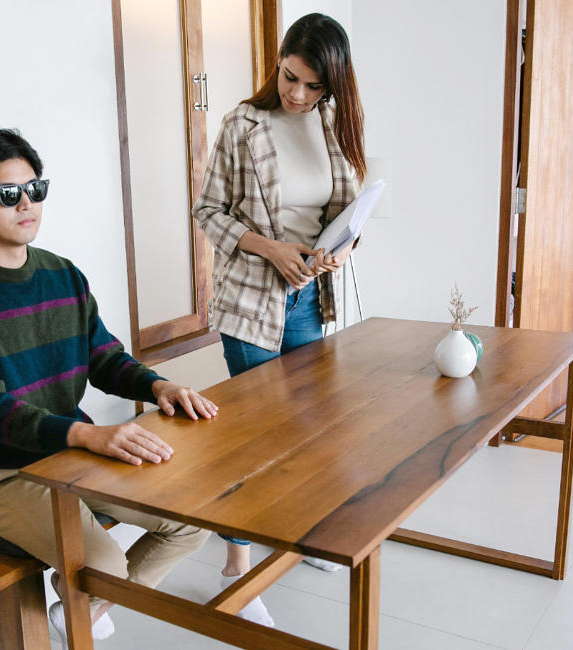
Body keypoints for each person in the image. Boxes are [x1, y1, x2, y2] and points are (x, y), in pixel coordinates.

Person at [0, 127, 216, 646]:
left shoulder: (64, 276)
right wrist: (87, 436)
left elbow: (104, 359)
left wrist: (157, 386)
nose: (26, 204)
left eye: (35, 189)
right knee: (106, 563)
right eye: (8, 195)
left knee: (192, 522)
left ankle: (86, 610)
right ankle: (89, 609)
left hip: (68, 459)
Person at [193, 13, 366, 626]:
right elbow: (207, 209)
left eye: (313, 86)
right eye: (291, 77)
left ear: (332, 87)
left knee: (307, 430)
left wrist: (339, 249)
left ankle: (300, 533)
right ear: (279, 61)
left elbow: (347, 216)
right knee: (254, 436)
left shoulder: (332, 127)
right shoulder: (244, 124)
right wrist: (271, 249)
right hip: (251, 300)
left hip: (308, 301)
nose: (298, 94)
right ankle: (236, 569)